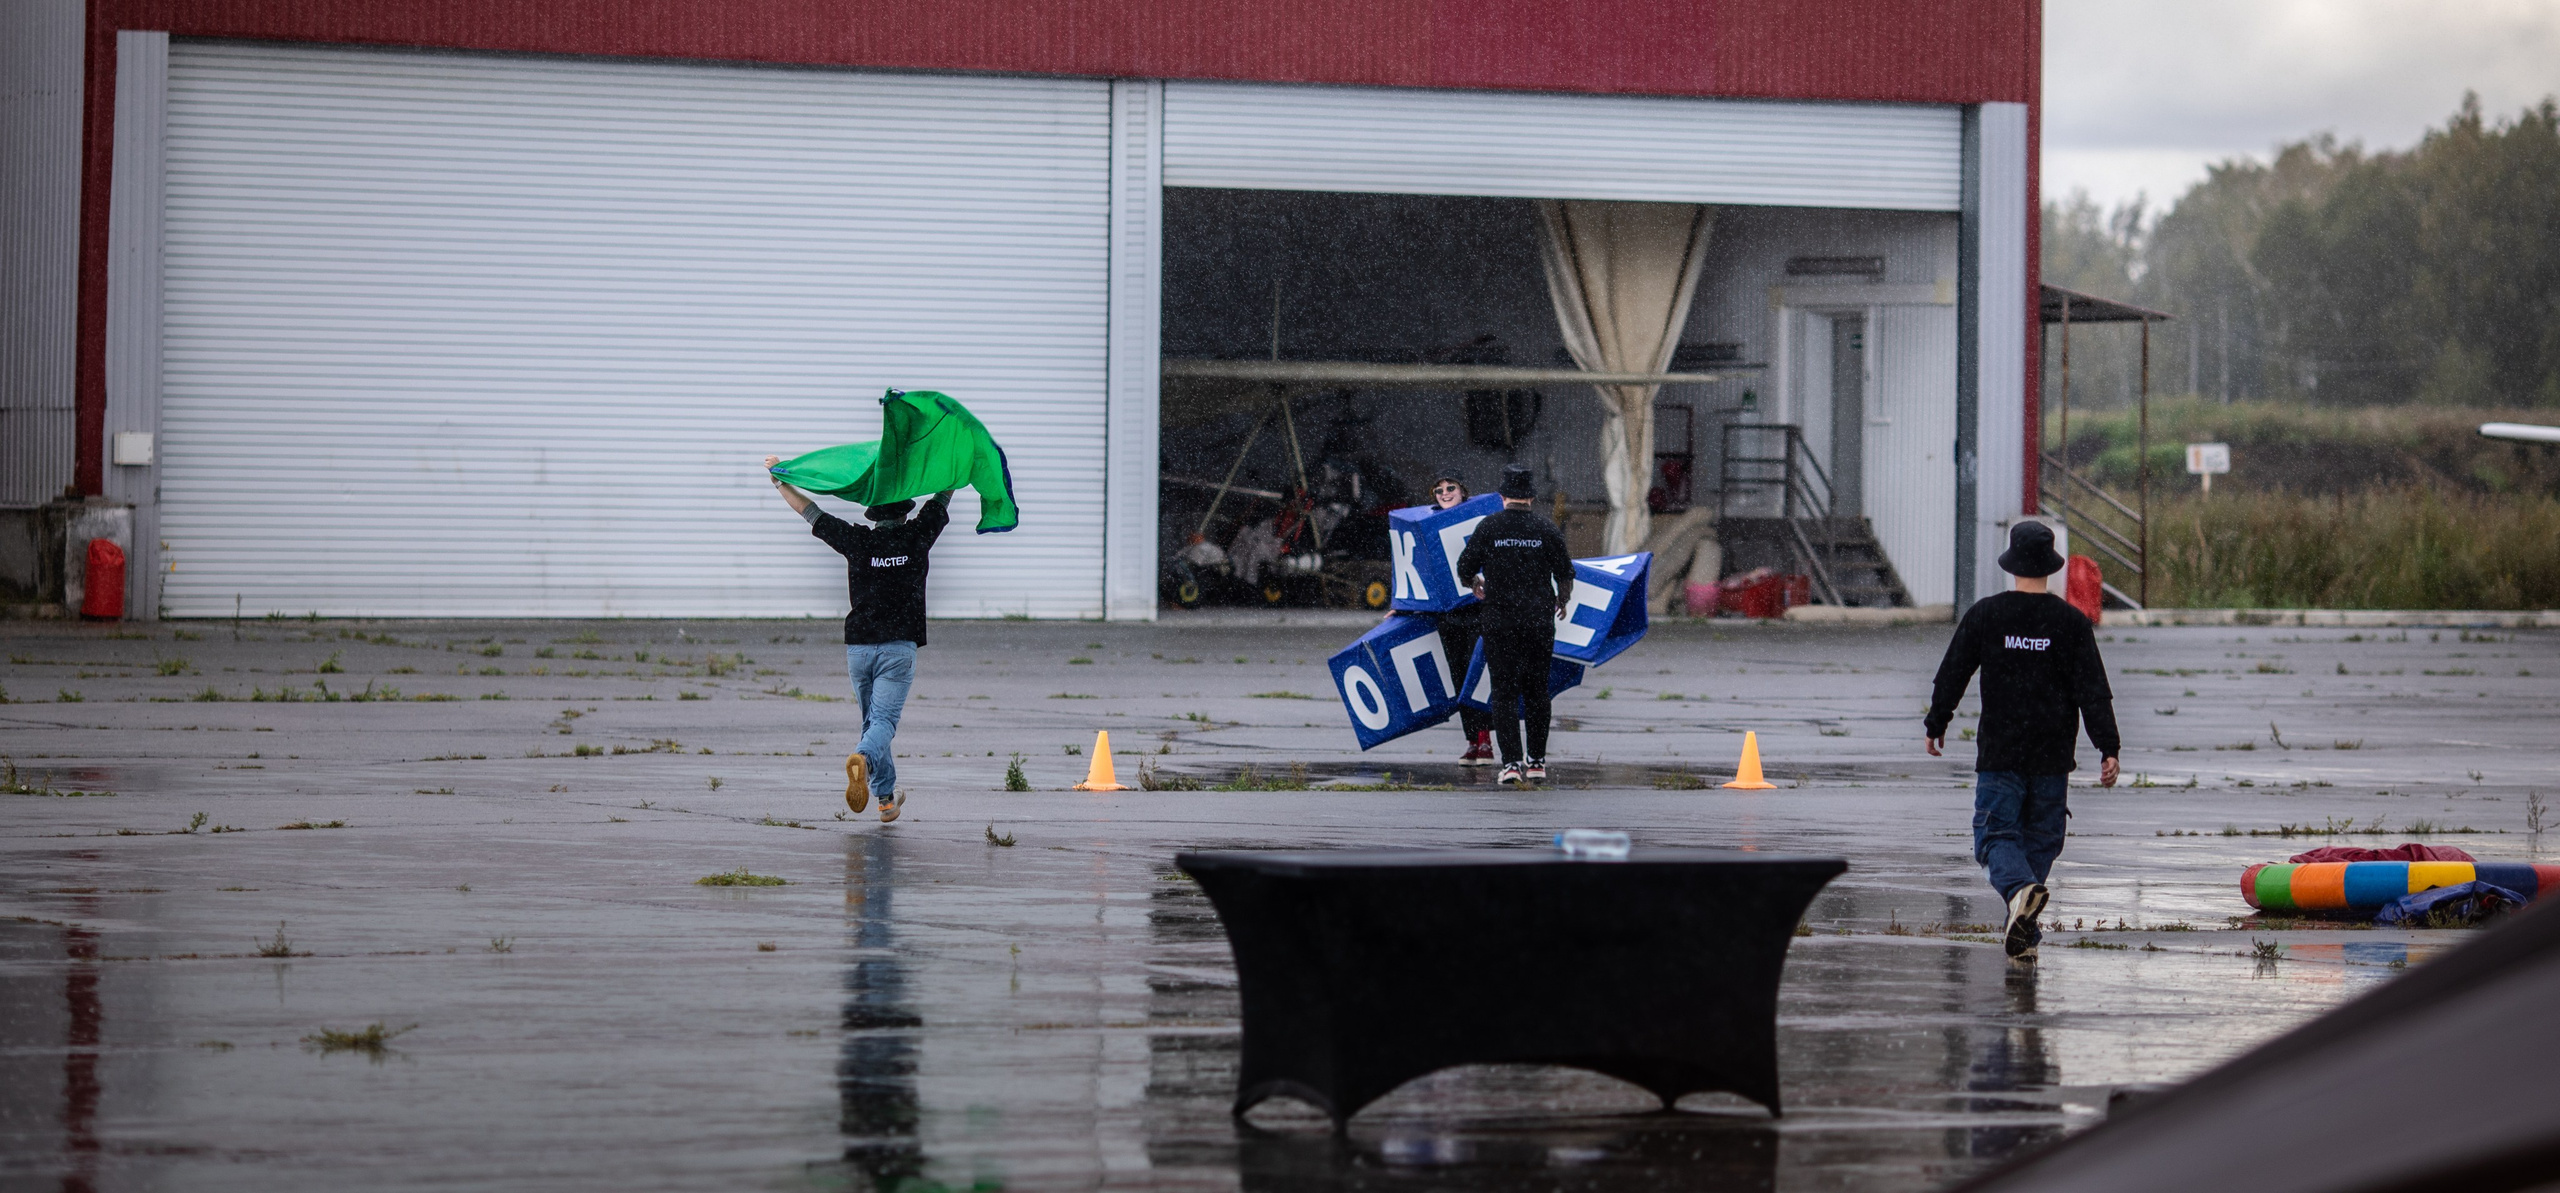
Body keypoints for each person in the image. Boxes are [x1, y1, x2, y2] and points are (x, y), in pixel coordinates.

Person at [1924, 521, 2121, 961]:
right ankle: (2024, 935)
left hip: (2002, 754)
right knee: (2041, 841)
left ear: (2012, 564)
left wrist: (1937, 721)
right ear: (2051, 566)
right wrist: (2108, 746)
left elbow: (1953, 670)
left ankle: (2019, 892)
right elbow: (2094, 689)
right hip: (2052, 758)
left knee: (1995, 837)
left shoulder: (1987, 614)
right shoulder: (2070, 622)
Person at [765, 455, 953, 824]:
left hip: (859, 648)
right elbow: (942, 499)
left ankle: (885, 799)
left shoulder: (856, 540)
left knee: (873, 722)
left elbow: (811, 512)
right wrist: (957, 462)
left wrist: (779, 481)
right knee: (882, 723)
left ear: (874, 515)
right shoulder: (917, 535)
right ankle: (862, 760)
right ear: (902, 513)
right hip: (898, 647)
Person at [1454, 464, 1575, 786]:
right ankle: (1537, 762)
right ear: (1532, 497)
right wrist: (1562, 601)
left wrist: (1474, 583)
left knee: (1504, 692)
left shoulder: (1489, 527)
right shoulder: (1546, 528)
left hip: (1500, 620)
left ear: (1502, 496)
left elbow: (1464, 566)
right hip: (1538, 620)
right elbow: (1565, 571)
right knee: (1537, 692)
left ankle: (1510, 764)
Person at [1427, 466, 1497, 766]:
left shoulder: (1480, 522)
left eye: (1450, 488)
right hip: (1448, 614)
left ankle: (1486, 741)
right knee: (1458, 678)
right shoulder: (1427, 524)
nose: (1444, 494)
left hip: (1475, 612)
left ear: (1463, 491)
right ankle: (1472, 740)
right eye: (1439, 490)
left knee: (1475, 675)